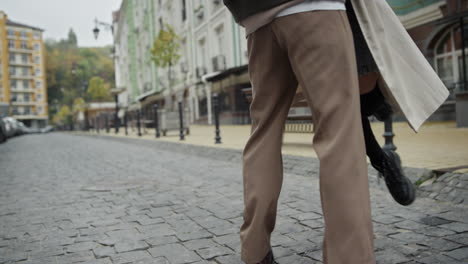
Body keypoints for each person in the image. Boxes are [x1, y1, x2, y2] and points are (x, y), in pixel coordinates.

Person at [223, 0, 449, 263]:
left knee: (263, 134)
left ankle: (254, 250)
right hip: (315, 9)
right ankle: (349, 257)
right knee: (340, 136)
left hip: (255, 19)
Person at [347, 0, 416, 206]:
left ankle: (375, 101)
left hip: (344, 7)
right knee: (341, 106)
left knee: (364, 84)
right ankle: (383, 161)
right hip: (292, 15)